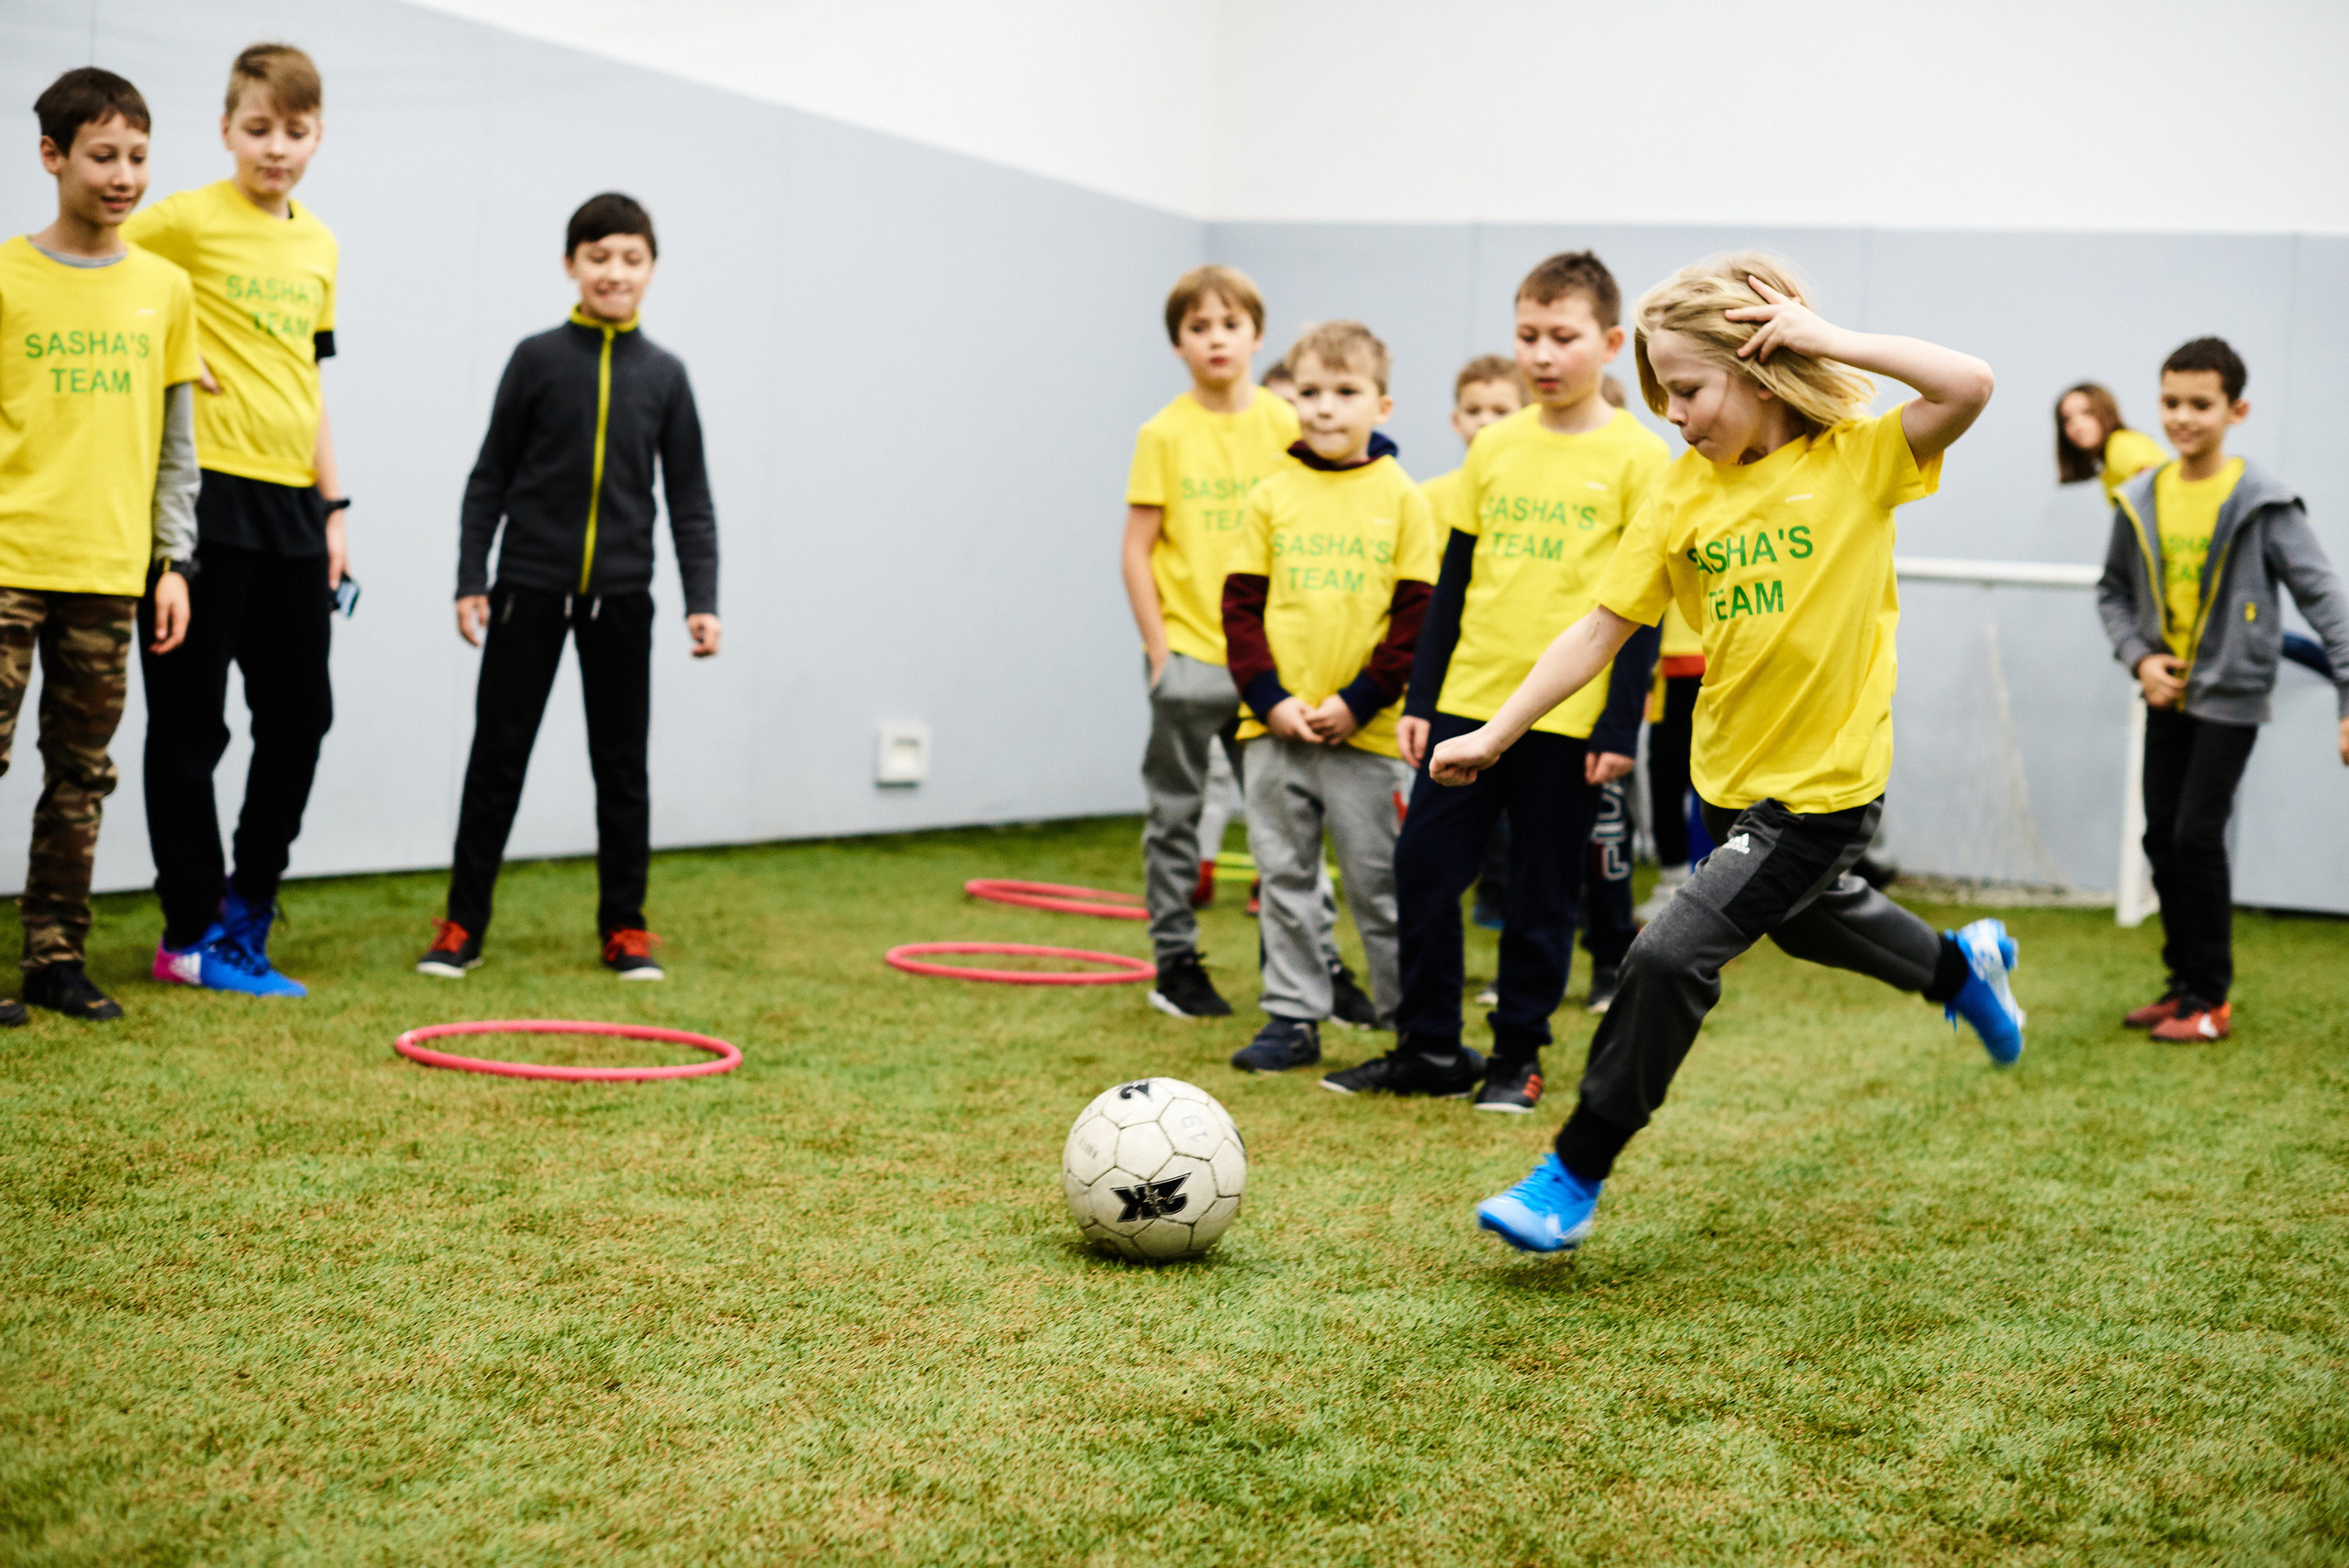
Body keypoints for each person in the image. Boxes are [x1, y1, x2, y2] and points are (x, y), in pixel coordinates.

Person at [1445, 252, 2021, 1254]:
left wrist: (1827, 339)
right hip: (1729, 783)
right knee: (1809, 922)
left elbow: (1967, 382)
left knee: (1669, 952)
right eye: (1663, 387)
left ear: (1760, 373)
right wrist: (1496, 733)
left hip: (1825, 789)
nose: (1672, 409)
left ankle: (1571, 1171)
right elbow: (1597, 630)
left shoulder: (1855, 460)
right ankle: (1957, 967)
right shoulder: (1677, 494)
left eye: (1692, 387)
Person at [1330, 251, 1666, 1110]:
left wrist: (1617, 726)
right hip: (1467, 706)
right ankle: (1427, 1047)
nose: (1542, 354)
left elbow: (1641, 610)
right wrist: (1422, 697)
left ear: (1610, 341)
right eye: (1527, 336)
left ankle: (1516, 1053)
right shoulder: (1496, 448)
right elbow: (1453, 581)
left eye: (1563, 336)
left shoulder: (1640, 457)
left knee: (1542, 892)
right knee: (1424, 869)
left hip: (1565, 717)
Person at [418, 193, 720, 981]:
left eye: (630, 259)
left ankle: (626, 928)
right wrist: (469, 577)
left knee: (622, 770)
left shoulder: (666, 376)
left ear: (651, 270)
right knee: (497, 761)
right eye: (598, 257)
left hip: (622, 601)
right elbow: (488, 478)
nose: (614, 272)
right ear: (571, 265)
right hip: (526, 591)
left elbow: (689, 498)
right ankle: (461, 924)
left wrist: (702, 600)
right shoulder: (536, 359)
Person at [128, 43, 342, 998]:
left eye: (294, 133)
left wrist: (334, 505)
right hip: (200, 498)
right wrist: (170, 348)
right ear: (226, 130)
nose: (276, 150)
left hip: (293, 505)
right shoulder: (182, 222)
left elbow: (312, 376)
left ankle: (247, 905)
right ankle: (187, 931)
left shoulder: (318, 244)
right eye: (258, 130)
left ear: (316, 135)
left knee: (300, 716)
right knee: (188, 724)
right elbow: (95, 271)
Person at [1, 69, 199, 1021]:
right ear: (53, 155)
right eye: (102, 154)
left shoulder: (165, 288)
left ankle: (54, 956)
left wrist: (172, 564)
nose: (124, 175)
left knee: (80, 775)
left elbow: (176, 447)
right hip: (7, 564)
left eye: (138, 156)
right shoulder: (4, 275)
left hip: (109, 572)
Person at [2096, 338, 2349, 1042]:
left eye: (2200, 405)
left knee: (2196, 835)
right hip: (2165, 695)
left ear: (2235, 410)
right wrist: (2140, 658)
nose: (2183, 417)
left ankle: (2210, 998)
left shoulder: (2264, 503)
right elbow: (2112, 593)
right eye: (2171, 402)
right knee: (2159, 838)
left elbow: (2327, 600)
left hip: (2231, 694)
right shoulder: (2140, 495)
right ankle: (2182, 986)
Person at [1220, 322, 1436, 1071]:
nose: (1324, 409)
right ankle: (1292, 1015)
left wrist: (1360, 700)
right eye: (1310, 392)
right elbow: (1240, 609)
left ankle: (1406, 1017)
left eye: (1345, 393)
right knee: (1285, 878)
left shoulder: (1405, 499)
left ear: (1381, 403)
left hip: (1365, 737)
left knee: (1379, 883)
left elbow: (1415, 619)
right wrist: (1272, 698)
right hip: (1273, 731)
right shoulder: (1271, 495)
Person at [2057, 382, 2166, 505]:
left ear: (2105, 411)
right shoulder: (2107, 462)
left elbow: (2159, 484)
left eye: (2086, 412)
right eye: (2067, 419)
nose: (2077, 425)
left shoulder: (2120, 444)